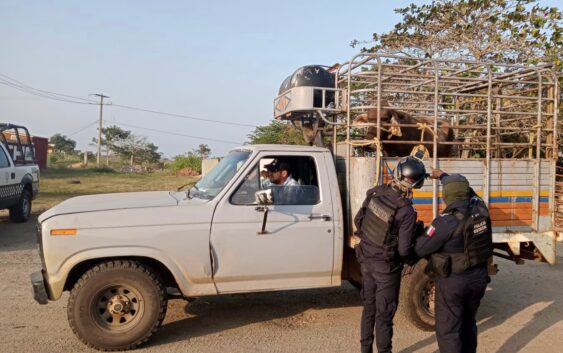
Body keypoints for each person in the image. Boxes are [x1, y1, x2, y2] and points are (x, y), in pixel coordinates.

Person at [414, 169, 493, 353]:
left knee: (449, 330)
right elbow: (468, 191)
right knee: (468, 324)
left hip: (454, 282)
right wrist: (444, 176)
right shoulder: (481, 209)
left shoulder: (445, 222)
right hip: (479, 278)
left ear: (447, 197)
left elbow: (420, 249)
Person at [354, 156, 426, 353]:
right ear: (416, 183)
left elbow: (358, 221)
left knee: (369, 307)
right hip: (386, 268)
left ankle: (365, 349)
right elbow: (403, 250)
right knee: (384, 314)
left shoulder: (375, 192)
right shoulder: (406, 211)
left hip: (365, 260)